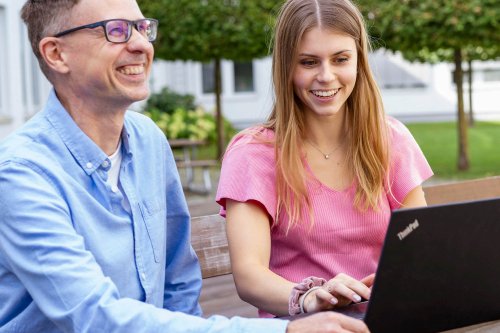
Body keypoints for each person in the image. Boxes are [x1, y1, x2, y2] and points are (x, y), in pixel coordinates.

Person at [0, 0, 369, 332]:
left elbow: (178, 287)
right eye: (116, 31)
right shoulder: (21, 174)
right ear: (56, 54)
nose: (142, 45)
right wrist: (286, 331)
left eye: (143, 29)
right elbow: (95, 317)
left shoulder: (147, 142)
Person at [216, 0, 433, 319]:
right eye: (308, 62)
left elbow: (420, 248)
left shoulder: (391, 139)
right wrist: (309, 297)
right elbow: (249, 276)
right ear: (286, 67)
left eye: (341, 59)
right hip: (307, 323)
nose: (326, 76)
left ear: (359, 61)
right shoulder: (253, 153)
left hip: (388, 318)